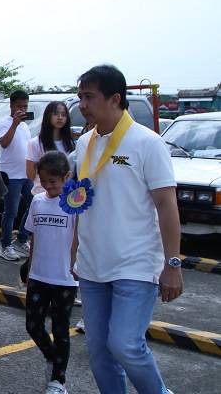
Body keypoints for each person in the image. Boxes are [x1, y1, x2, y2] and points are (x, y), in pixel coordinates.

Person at [74, 65, 182, 394]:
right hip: (92, 266)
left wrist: (172, 264)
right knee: (100, 353)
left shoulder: (147, 143)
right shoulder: (83, 144)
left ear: (115, 99)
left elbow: (167, 206)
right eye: (80, 97)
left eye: (89, 97)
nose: (82, 104)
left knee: (125, 345)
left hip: (135, 265)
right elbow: (79, 203)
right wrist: (73, 254)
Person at [23, 151, 78, 394]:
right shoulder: (37, 201)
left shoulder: (76, 203)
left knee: (60, 328)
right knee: (33, 325)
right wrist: (29, 265)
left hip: (64, 278)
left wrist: (76, 265)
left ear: (67, 177)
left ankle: (58, 380)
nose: (47, 186)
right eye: (43, 181)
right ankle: (53, 358)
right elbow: (34, 236)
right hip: (39, 275)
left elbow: (79, 238)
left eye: (52, 181)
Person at [0, 90, 32, 261]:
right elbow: (4, 143)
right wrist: (14, 124)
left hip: (26, 173)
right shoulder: (5, 123)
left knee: (33, 205)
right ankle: (5, 247)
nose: (22, 110)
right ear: (11, 105)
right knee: (11, 211)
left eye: (25, 106)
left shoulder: (25, 126)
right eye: (19, 106)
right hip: (11, 175)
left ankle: (22, 238)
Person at [26, 101, 76, 194]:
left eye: (63, 114)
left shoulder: (69, 143)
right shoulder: (35, 143)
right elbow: (30, 175)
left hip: (65, 196)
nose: (60, 117)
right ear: (48, 116)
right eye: (56, 114)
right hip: (42, 194)